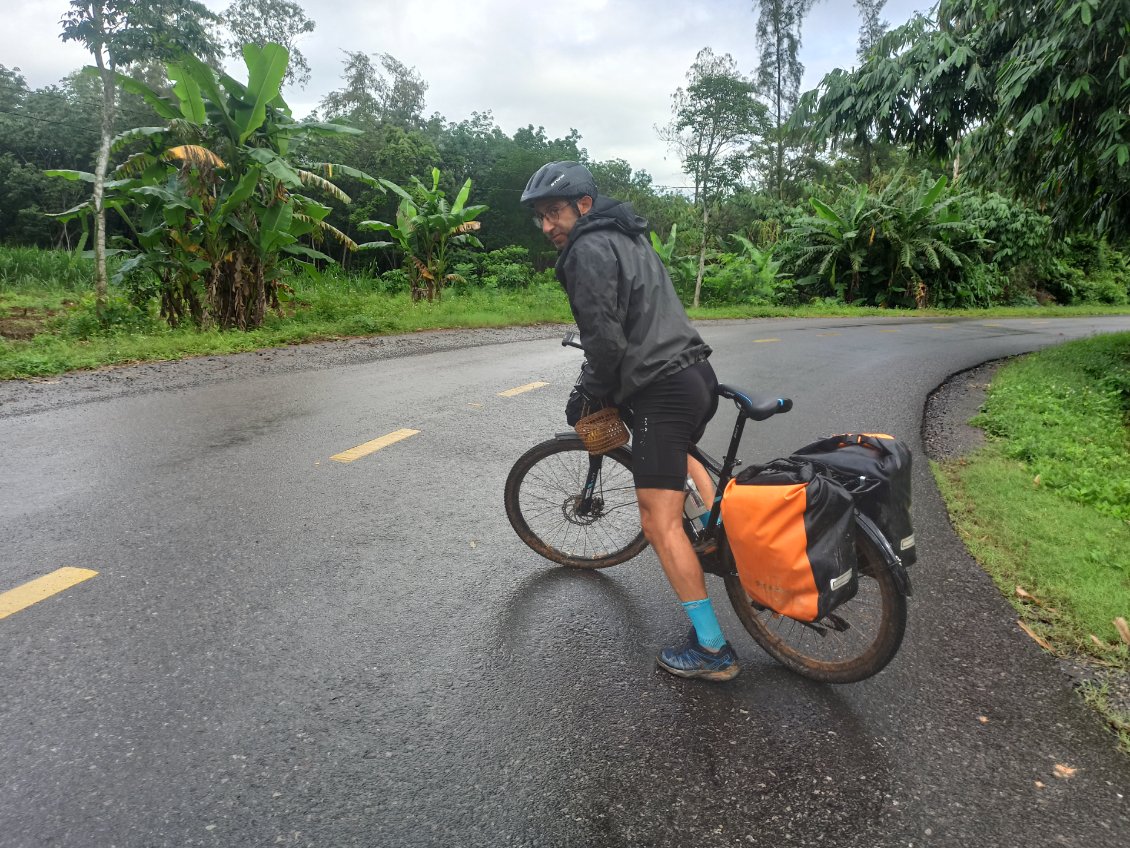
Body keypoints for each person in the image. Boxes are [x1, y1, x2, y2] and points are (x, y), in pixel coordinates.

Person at [521, 161, 739, 681]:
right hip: (695, 376)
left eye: (555, 212)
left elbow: (606, 341)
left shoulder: (587, 250)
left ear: (584, 206)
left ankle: (712, 649)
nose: (549, 225)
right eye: (541, 217)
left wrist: (590, 394)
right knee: (678, 456)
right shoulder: (628, 237)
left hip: (662, 389)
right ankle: (717, 532)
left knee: (658, 521)